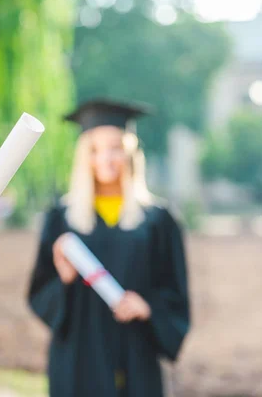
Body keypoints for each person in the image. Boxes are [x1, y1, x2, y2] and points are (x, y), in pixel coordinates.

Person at [28, 99, 190, 397]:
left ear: (130, 153)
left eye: (116, 147)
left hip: (136, 355)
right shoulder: (61, 218)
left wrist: (149, 307)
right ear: (83, 156)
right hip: (78, 357)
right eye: (95, 149)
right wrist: (64, 278)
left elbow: (176, 292)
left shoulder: (158, 220)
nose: (106, 158)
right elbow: (39, 294)